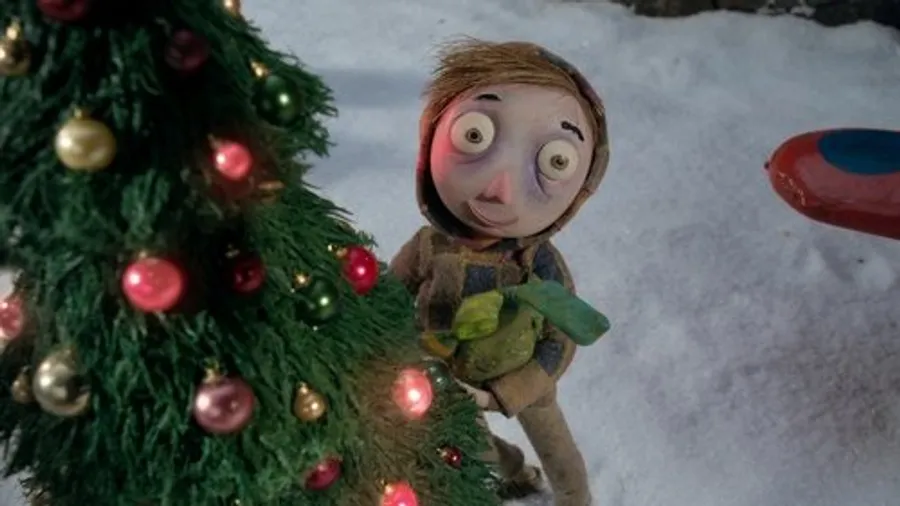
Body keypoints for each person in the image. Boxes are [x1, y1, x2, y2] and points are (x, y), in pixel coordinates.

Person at [389, 39, 609, 506]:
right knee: (473, 447)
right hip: (449, 380)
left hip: (524, 380)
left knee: (558, 451)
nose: (499, 189)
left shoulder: (539, 264)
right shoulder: (428, 247)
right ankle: (513, 471)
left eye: (556, 161)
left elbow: (560, 339)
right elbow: (387, 299)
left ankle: (576, 499)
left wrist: (511, 391)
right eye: (474, 135)